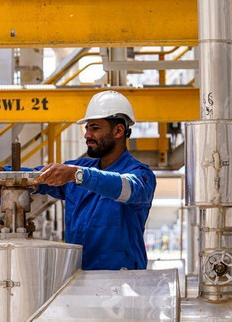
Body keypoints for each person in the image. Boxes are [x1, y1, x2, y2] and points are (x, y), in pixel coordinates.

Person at [33, 90, 156, 270]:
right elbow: (35, 175)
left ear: (118, 131)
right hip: (78, 280)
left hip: (123, 285)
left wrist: (77, 175)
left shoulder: (140, 175)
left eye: (95, 128)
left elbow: (126, 187)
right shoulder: (78, 169)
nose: (87, 135)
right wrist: (0, 173)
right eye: (87, 128)